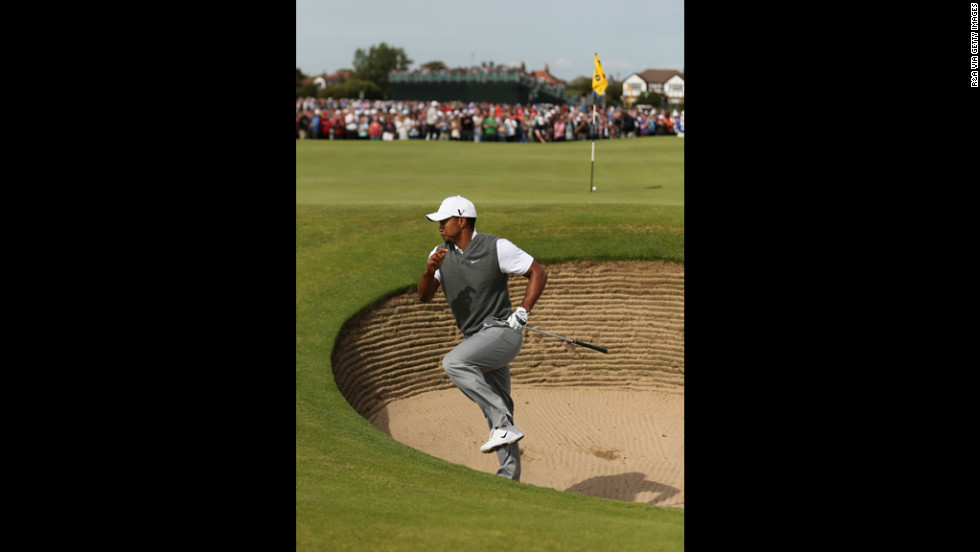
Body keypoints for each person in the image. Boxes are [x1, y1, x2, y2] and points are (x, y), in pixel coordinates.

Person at [417, 195, 547, 481]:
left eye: (444, 220)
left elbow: (538, 271)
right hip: (478, 340)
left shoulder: (496, 247)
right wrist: (429, 270)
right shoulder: (440, 253)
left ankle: (502, 423)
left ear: (461, 221)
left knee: (454, 362)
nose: (439, 226)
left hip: (503, 333)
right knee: (501, 404)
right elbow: (424, 296)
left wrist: (523, 310)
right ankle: (508, 476)